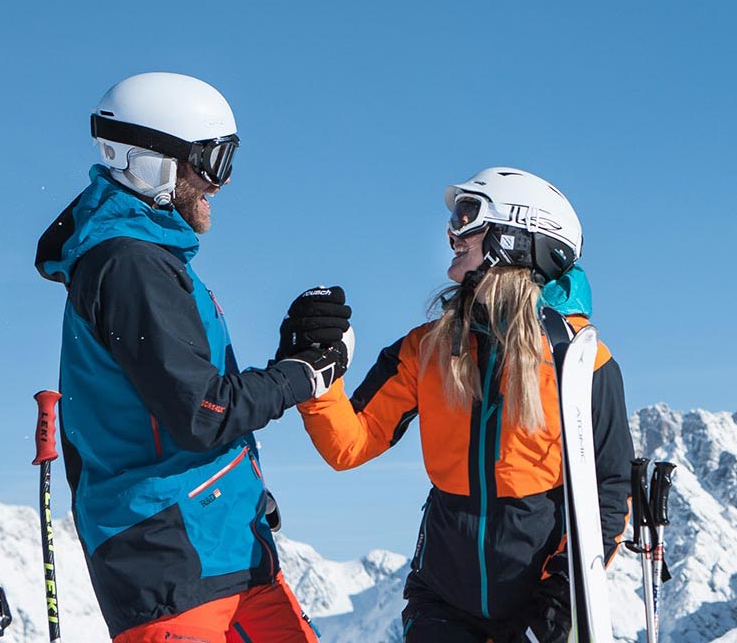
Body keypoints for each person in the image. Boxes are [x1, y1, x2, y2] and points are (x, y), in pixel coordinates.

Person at [33, 72, 353, 643]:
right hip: (169, 562)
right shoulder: (128, 266)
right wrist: (302, 376)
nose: (220, 183)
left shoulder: (152, 262)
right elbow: (202, 411)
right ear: (151, 163)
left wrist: (287, 366)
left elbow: (177, 404)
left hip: (221, 542)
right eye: (211, 162)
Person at [293, 167, 633, 642]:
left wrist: (560, 602)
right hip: (442, 601)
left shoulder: (580, 359)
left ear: (518, 238)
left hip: (538, 605)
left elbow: (610, 490)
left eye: (468, 215)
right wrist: (317, 369)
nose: (453, 231)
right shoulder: (425, 349)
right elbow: (348, 445)